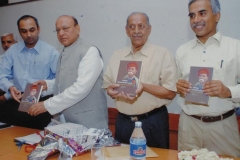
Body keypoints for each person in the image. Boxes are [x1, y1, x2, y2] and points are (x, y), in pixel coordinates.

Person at [175, 0, 240, 157]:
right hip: (188, 127)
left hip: (223, 126)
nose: (196, 19)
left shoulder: (236, 48)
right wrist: (179, 87)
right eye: (192, 15)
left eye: (202, 13)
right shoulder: (182, 51)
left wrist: (228, 91)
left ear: (217, 16)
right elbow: (174, 84)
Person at [103, 12, 177, 148]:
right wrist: (110, 90)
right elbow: (108, 84)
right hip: (123, 122)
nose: (136, 31)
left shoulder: (162, 54)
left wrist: (144, 86)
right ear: (126, 30)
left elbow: (171, 92)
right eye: (132, 26)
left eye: (141, 26)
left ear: (149, 29)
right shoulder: (117, 56)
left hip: (152, 122)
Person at [28, 15, 108, 129]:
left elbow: (81, 88)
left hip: (87, 123)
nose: (61, 33)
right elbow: (67, 79)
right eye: (58, 30)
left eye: (65, 28)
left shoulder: (89, 51)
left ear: (77, 28)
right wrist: (48, 85)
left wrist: (47, 105)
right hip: (64, 121)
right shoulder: (64, 51)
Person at [0, 15, 59, 129]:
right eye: (24, 31)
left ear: (38, 29)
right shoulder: (12, 51)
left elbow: (60, 80)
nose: (29, 35)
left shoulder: (51, 52)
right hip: (17, 98)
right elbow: (2, 74)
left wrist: (45, 85)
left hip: (40, 100)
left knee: (33, 135)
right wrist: (9, 87)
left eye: (32, 30)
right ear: (19, 32)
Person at [0, 33, 17, 102]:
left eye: (9, 42)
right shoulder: (1, 58)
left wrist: (5, 97)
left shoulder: (21, 59)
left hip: (12, 95)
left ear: (16, 43)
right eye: (3, 42)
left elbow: (21, 83)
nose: (6, 45)